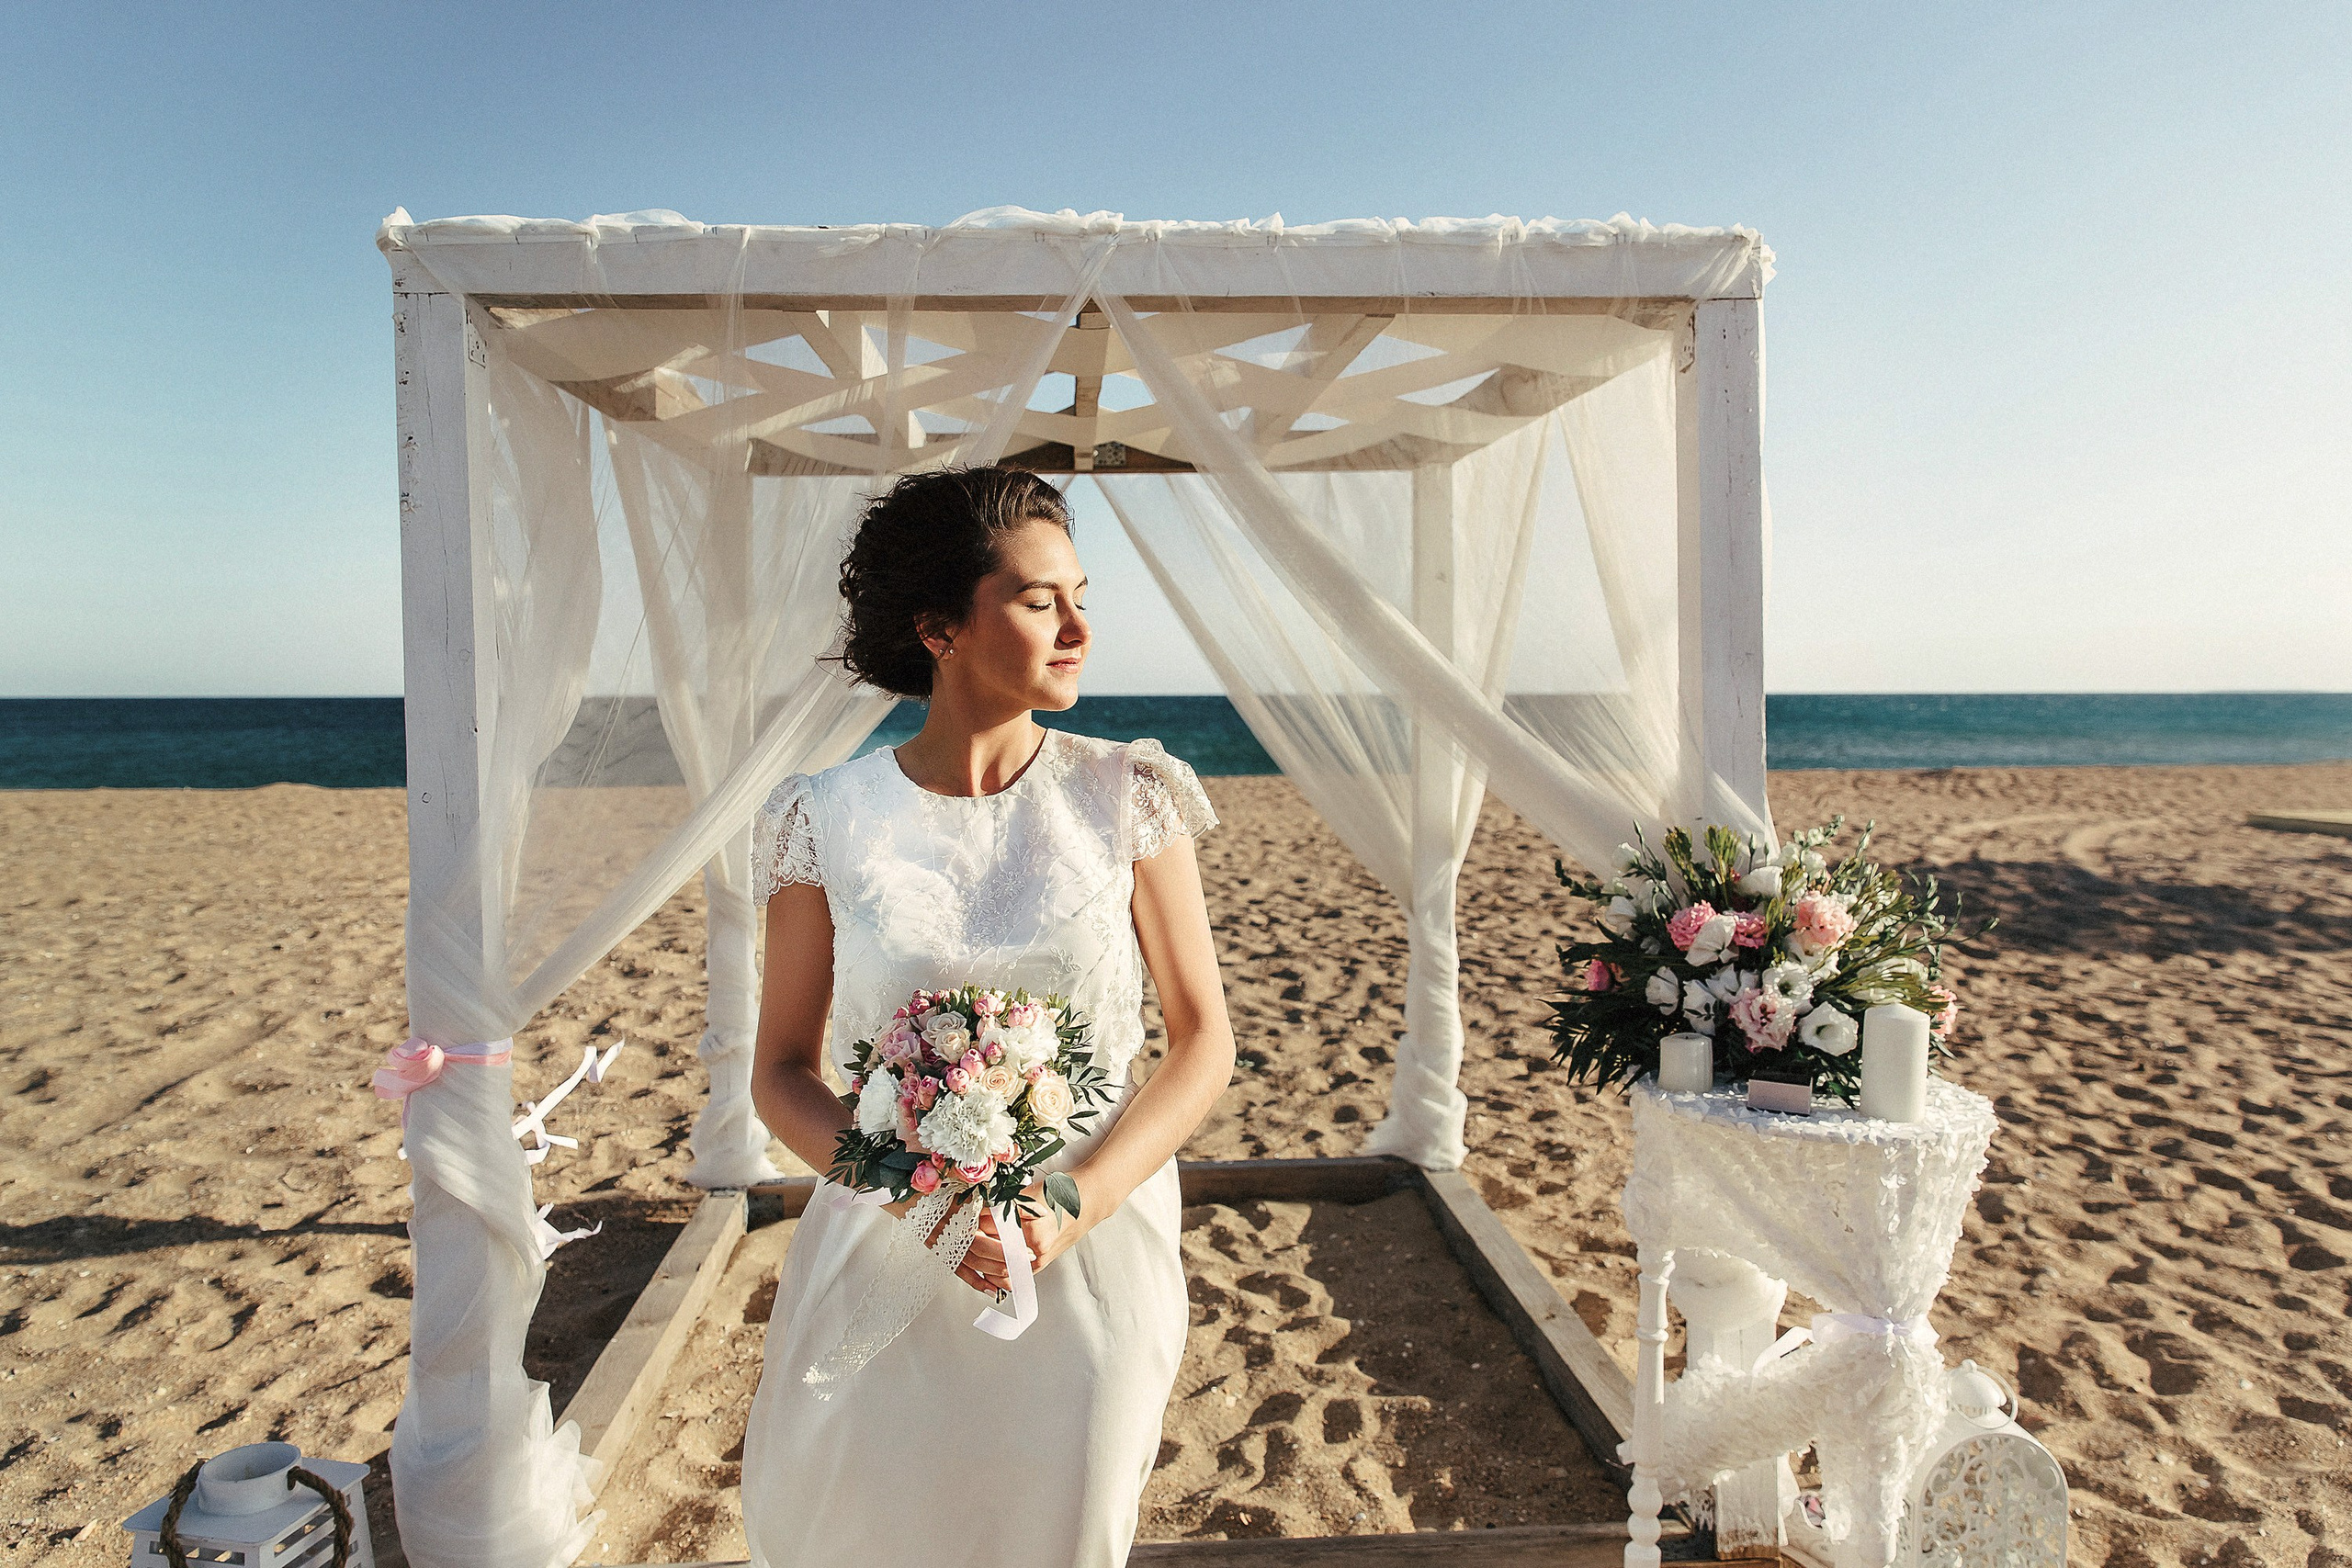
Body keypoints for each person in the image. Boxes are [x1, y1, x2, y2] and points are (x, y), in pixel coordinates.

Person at [739, 466, 1237, 1566]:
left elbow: (1204, 1041)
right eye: (1036, 600)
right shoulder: (820, 818)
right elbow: (780, 1070)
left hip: (1087, 1251)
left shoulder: (1131, 793)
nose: (1077, 628)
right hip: (884, 1241)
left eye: (1078, 596)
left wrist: (1076, 1203)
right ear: (937, 626)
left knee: (1066, 1527)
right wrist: (911, 1197)